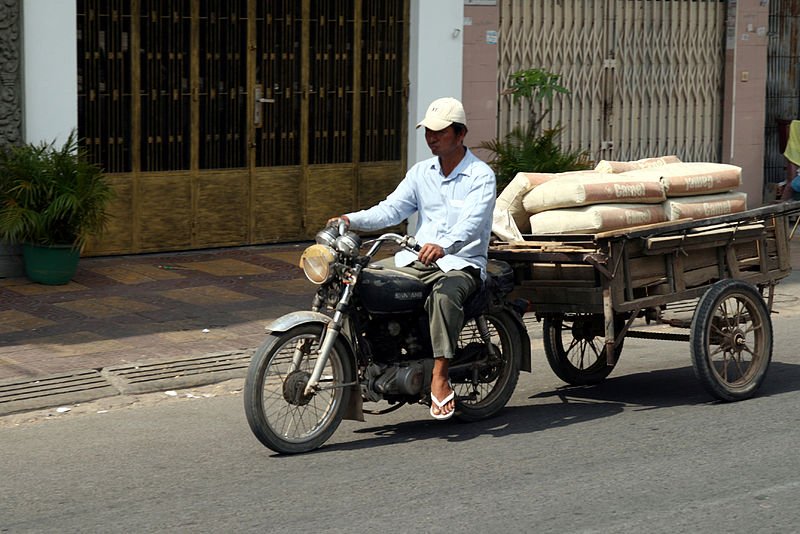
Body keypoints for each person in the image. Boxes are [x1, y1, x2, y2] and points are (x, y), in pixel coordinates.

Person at [328, 97, 496, 420]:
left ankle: (440, 376)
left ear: (460, 135)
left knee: (445, 297)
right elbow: (390, 209)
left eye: (439, 132)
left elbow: (473, 223)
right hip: (416, 259)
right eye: (428, 132)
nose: (431, 137)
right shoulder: (421, 173)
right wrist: (350, 220)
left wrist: (444, 245)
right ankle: (377, 356)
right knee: (364, 279)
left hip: (460, 262)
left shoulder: (480, 176)